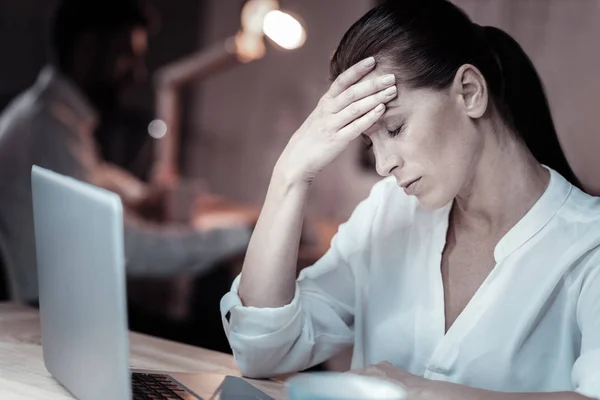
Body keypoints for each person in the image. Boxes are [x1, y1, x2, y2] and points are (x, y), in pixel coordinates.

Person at [220, 0, 600, 398]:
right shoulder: (388, 212)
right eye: (370, 143)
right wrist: (290, 175)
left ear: (469, 92)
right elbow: (262, 350)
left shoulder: (588, 246)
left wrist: (419, 393)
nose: (383, 165)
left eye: (396, 128)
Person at [0, 0, 252, 303]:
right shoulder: (47, 132)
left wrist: (136, 194)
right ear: (87, 50)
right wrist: (243, 236)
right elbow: (123, 248)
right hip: (41, 319)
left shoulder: (46, 117)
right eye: (127, 57)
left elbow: (94, 175)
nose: (138, 74)